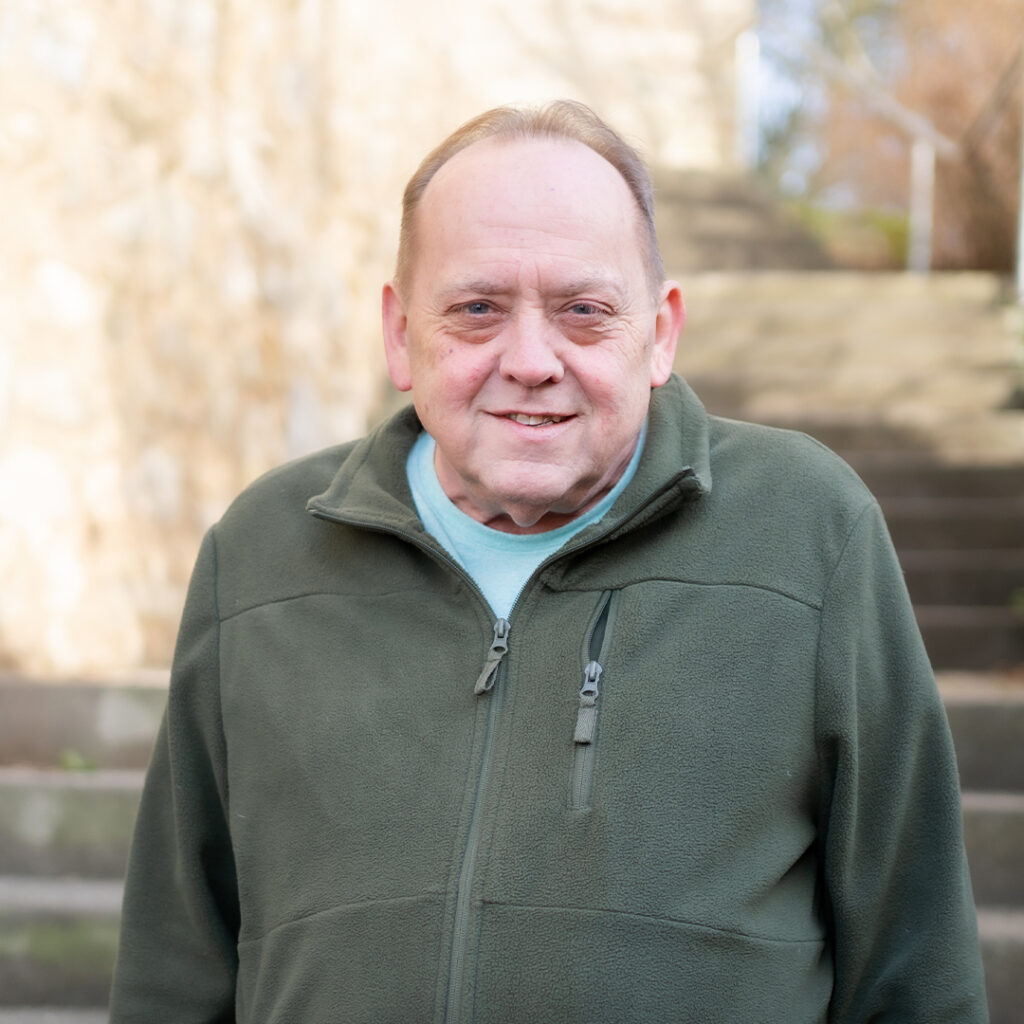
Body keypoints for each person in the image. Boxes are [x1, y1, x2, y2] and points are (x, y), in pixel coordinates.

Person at [109, 101, 988, 1023]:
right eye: (477, 310)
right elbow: (175, 970)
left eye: (584, 312)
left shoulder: (808, 533)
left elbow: (916, 970)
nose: (530, 360)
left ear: (662, 333)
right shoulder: (262, 554)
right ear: (400, 333)